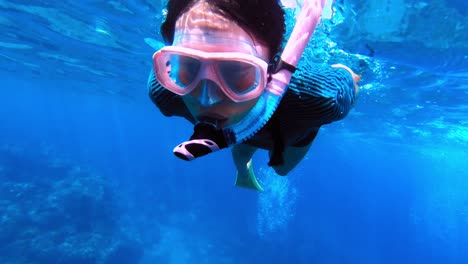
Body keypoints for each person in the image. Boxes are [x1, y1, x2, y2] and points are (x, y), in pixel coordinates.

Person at [148, 0, 360, 191]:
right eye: (189, 66)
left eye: (236, 71)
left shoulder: (320, 96)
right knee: (242, 142)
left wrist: (346, 74)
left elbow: (351, 80)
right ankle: (243, 168)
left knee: (281, 169)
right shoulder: (166, 91)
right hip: (248, 123)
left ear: (271, 69)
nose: (207, 99)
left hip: (292, 130)